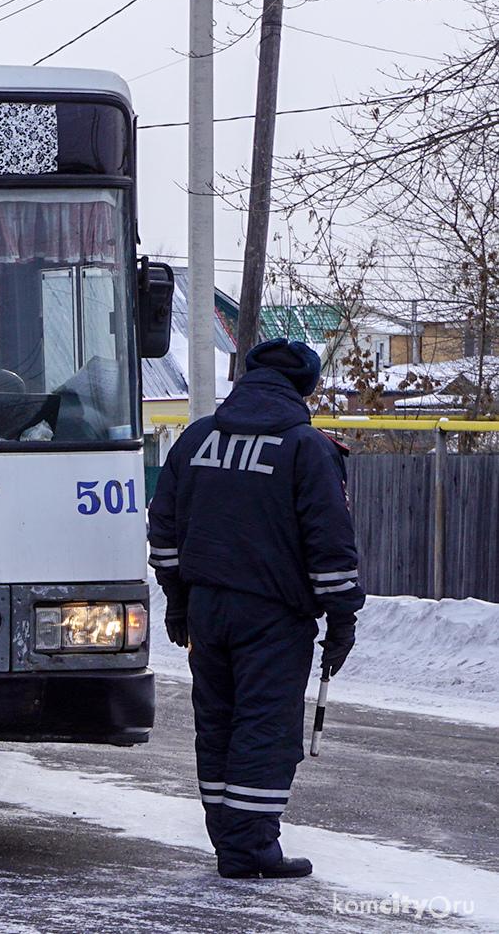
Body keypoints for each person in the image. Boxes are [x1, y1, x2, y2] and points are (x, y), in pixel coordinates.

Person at [148, 338, 365, 880]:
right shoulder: (305, 448)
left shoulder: (196, 439)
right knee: (264, 728)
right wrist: (342, 620)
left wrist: (178, 599)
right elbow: (329, 544)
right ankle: (249, 852)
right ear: (305, 387)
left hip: (206, 610)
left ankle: (229, 842)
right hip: (272, 616)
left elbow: (164, 530)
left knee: (218, 724)